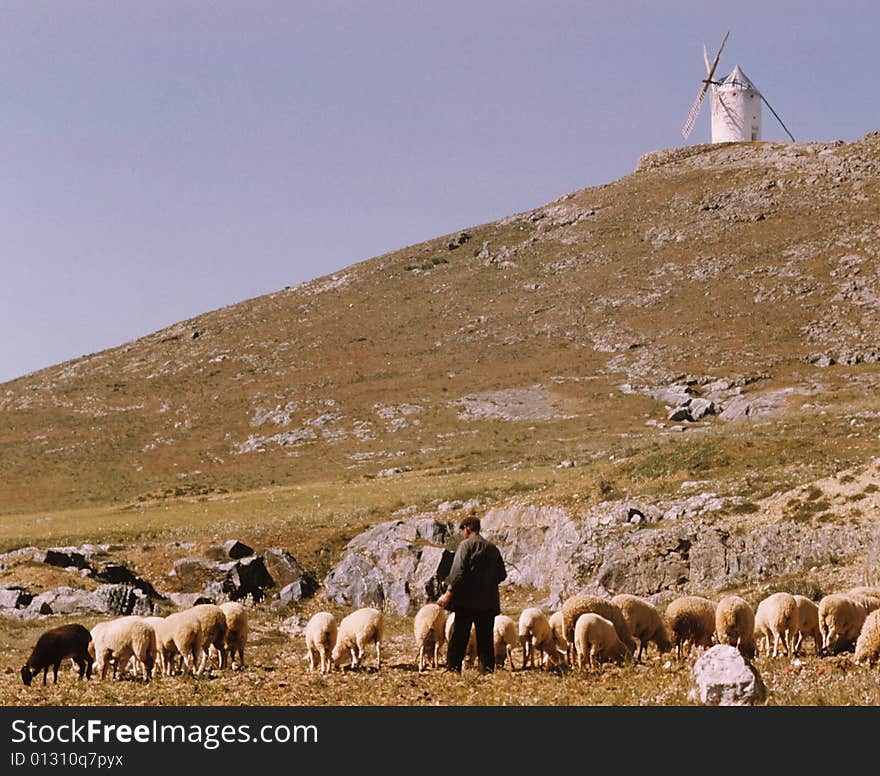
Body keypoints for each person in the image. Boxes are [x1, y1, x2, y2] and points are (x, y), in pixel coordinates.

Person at [437, 512, 507, 673]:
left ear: (467, 528)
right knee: (485, 638)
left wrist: (449, 593)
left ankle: (453, 669)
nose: (462, 533)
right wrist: (487, 583)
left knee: (459, 636)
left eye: (463, 529)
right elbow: (502, 575)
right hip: (488, 602)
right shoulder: (492, 548)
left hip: (467, 602)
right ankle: (487, 671)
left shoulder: (466, 546)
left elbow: (457, 572)